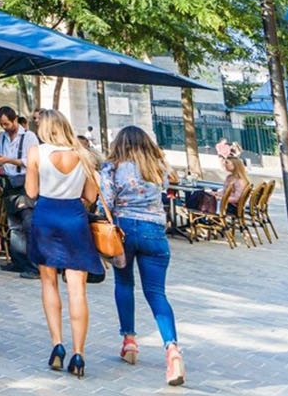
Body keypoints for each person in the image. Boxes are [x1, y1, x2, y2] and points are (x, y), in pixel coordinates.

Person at [102, 125, 185, 386]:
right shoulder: (157, 165)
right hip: (154, 232)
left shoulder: (112, 167)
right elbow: (170, 185)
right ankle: (172, 348)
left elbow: (106, 201)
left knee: (124, 283)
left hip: (123, 230)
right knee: (157, 293)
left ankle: (129, 341)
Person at [27, 107, 101, 377]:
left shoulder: (37, 152)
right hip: (74, 218)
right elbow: (91, 196)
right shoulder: (84, 154)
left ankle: (57, 344)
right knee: (77, 289)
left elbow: (31, 191)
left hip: (46, 216)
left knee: (48, 282)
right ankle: (78, 353)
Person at [0, 105, 39, 190]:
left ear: (15, 120)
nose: (4, 127)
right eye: (1, 124)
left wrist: (7, 160)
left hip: (25, 183)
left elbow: (33, 162)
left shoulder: (29, 136)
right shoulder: (2, 136)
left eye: (6, 124)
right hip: (7, 182)